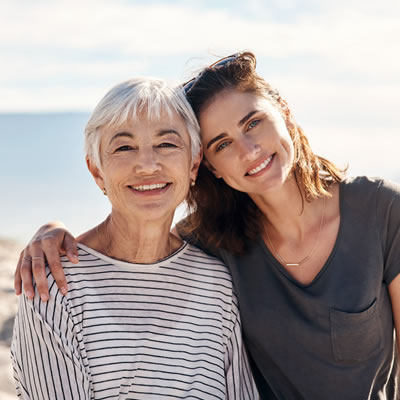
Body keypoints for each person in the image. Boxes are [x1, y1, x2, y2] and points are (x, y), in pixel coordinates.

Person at [14, 52, 400, 399]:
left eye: (253, 122)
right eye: (223, 144)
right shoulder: (215, 245)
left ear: (283, 109)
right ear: (207, 164)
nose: (249, 150)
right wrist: (50, 231)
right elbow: (137, 238)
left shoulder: (379, 211)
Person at [10, 77, 258, 400]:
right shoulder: (54, 283)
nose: (147, 164)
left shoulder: (217, 286)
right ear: (97, 171)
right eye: (124, 147)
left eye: (166, 144)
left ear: (194, 163)